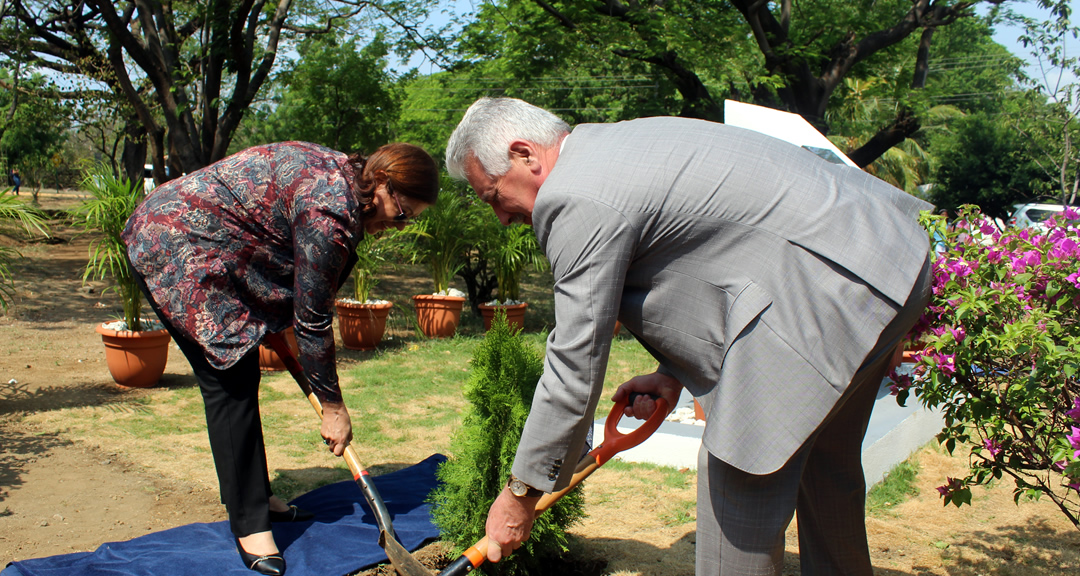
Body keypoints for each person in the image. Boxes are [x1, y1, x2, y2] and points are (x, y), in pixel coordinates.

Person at [445, 97, 932, 576]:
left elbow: (575, 362)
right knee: (826, 472)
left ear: (524, 154)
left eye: (493, 196)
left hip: (827, 289)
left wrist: (521, 493)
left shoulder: (572, 196)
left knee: (738, 479)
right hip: (889, 261)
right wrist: (672, 372)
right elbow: (715, 254)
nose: (502, 218)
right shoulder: (619, 143)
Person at [122, 141, 439, 576]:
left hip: (212, 243)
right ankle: (251, 523)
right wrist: (332, 406)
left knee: (240, 374)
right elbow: (312, 322)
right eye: (401, 214)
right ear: (382, 182)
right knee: (230, 380)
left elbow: (276, 243)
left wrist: (272, 319)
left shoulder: (346, 176)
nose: (399, 226)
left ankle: (251, 495)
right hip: (175, 242)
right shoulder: (330, 215)